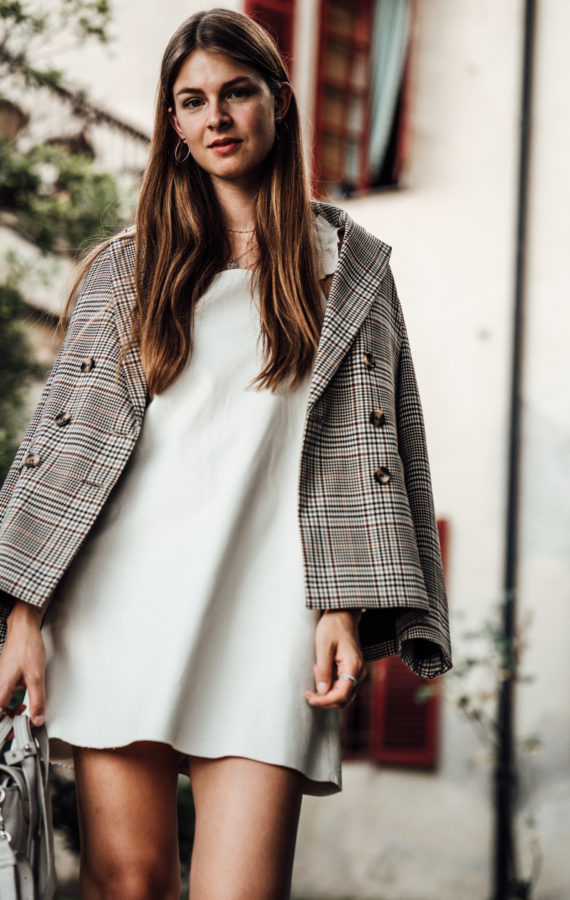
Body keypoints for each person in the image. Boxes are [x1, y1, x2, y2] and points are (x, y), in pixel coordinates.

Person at [0, 8, 451, 900]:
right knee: (126, 884)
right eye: (192, 100)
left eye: (237, 92)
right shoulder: (123, 271)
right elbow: (55, 448)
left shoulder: (349, 268)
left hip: (269, 613)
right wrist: (21, 616)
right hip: (118, 603)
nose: (217, 117)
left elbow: (385, 447)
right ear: (172, 123)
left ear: (278, 102)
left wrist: (346, 608)